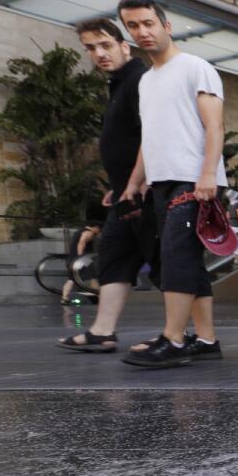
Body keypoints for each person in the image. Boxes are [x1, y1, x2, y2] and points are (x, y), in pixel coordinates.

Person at [115, 0, 227, 370]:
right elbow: (150, 138)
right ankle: (206, 340)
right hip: (162, 183)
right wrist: (133, 183)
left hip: (193, 180)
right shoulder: (146, 82)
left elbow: (214, 125)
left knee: (177, 258)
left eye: (148, 23)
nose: (142, 31)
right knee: (185, 261)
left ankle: (174, 339)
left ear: (166, 26)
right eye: (133, 26)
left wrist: (207, 175)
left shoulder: (196, 67)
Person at [58, 18, 156, 352]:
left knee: (168, 262)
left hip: (145, 192)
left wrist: (135, 182)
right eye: (90, 48)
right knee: (113, 257)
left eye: (105, 45)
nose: (98, 53)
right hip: (125, 194)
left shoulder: (139, 80)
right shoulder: (119, 84)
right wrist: (119, 186)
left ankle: (192, 336)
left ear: (123, 46)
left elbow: (151, 135)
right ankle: (102, 331)